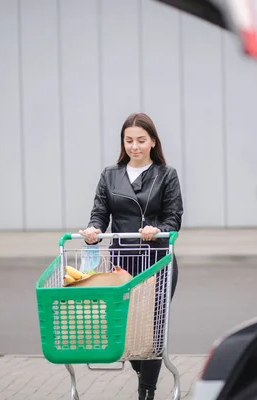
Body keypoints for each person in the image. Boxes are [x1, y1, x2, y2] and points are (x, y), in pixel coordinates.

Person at [79, 112, 183, 400]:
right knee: (126, 327)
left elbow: (173, 218)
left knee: (151, 328)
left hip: (156, 260)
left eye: (140, 140)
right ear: (123, 143)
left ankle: (146, 391)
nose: (134, 146)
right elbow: (100, 212)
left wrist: (157, 229)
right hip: (122, 262)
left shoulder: (166, 175)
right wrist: (93, 229)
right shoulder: (110, 175)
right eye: (129, 140)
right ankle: (142, 370)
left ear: (152, 142)